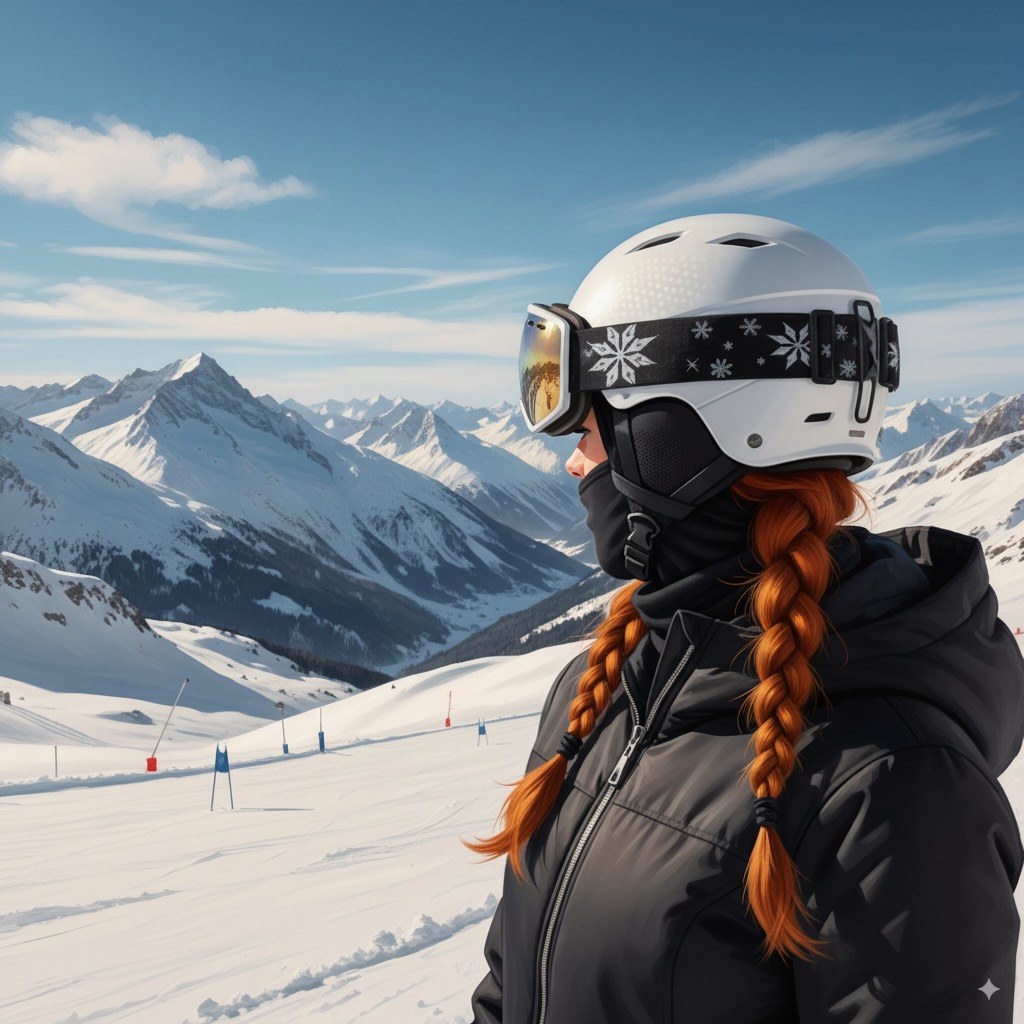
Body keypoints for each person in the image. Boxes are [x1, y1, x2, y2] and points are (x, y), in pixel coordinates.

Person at [465, 213, 1024, 1023]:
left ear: (677, 436)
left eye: (585, 422)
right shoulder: (602, 683)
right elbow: (510, 978)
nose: (572, 458)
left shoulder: (893, 781)